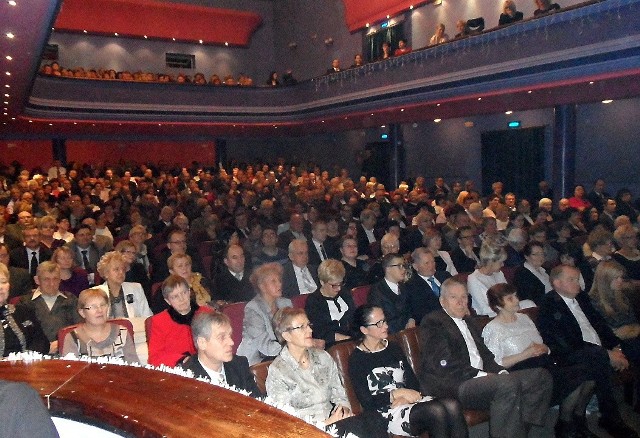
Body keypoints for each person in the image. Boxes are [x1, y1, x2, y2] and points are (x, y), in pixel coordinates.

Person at [419, 277, 553, 438]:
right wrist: (482, 375)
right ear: (442, 301)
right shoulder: (433, 321)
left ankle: (523, 430)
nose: (461, 302)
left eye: (464, 297)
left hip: (482, 381)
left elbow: (487, 357)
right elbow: (443, 363)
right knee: (507, 384)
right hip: (456, 383)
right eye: (454, 297)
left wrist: (501, 372)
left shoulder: (469, 321)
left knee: (540, 377)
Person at [482, 283, 597, 437]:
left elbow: (541, 343)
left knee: (588, 374)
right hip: (521, 370)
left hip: (544, 362)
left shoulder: (524, 318)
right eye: (510, 298)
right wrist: (527, 353)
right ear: (498, 305)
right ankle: (565, 424)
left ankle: (576, 419)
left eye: (516, 295)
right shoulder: (493, 329)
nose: (516, 300)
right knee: (574, 378)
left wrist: (544, 348)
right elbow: (495, 364)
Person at [538, 265, 639, 438]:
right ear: (557, 283)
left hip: (595, 351)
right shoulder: (549, 304)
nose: (578, 283)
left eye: (578, 279)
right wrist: (606, 354)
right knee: (597, 358)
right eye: (572, 280)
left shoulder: (582, 298)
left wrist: (616, 347)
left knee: (624, 350)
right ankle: (609, 418)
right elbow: (565, 342)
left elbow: (600, 324)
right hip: (568, 354)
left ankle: (574, 421)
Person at [350, 304, 468, 438]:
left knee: (452, 405)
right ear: (364, 330)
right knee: (436, 411)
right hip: (385, 411)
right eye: (379, 323)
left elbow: (412, 381)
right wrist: (396, 394)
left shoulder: (393, 347)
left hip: (409, 401)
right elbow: (367, 401)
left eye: (384, 320)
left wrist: (406, 397)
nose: (385, 326)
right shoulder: (357, 359)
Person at [266, 307, 386, 437]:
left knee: (375, 419)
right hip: (308, 432)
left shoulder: (322, 357)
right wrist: (327, 423)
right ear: (286, 335)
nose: (310, 330)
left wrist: (343, 411)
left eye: (309, 325)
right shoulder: (278, 371)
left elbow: (339, 395)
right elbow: (284, 422)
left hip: (336, 423)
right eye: (301, 327)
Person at [181, 312, 262, 396]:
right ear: (202, 343)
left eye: (230, 335)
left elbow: (260, 403)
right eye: (221, 337)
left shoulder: (239, 365)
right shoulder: (186, 379)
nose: (231, 342)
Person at [147, 275, 213, 367]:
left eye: (184, 293)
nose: (181, 299)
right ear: (168, 301)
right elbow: (155, 358)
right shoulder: (160, 321)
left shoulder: (207, 313)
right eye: (175, 296)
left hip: (208, 364)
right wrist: (182, 359)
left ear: (189, 292)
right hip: (178, 370)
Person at [236, 262, 293, 365]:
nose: (279, 284)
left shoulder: (286, 303)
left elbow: (294, 331)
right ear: (262, 286)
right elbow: (265, 347)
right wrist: (294, 347)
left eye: (279, 280)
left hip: (283, 355)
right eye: (273, 281)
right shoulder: (253, 309)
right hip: (257, 360)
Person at [61, 288, 139, 363]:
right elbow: (70, 371)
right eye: (93, 307)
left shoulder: (122, 332)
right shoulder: (73, 338)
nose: (99, 310)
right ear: (82, 312)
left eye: (102, 305)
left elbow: (135, 368)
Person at [18, 261, 81, 354]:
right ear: (37, 280)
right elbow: (22, 334)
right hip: (36, 355)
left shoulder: (71, 300)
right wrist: (45, 347)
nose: (51, 284)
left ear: (60, 280)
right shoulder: (25, 302)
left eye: (55, 279)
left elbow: (80, 328)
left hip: (67, 352)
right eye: (46, 279)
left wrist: (61, 343)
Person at [0, 263, 49, 356]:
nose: (1, 287)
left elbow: (42, 342)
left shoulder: (23, 312)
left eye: (3, 282)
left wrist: (26, 358)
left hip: (25, 367)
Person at [305, 259, 355, 348]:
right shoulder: (314, 301)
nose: (339, 288)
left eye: (340, 283)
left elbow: (354, 318)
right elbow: (318, 331)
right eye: (334, 285)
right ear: (322, 282)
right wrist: (346, 339)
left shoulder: (345, 293)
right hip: (331, 344)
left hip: (351, 338)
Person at [94, 251, 152, 320]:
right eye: (116, 269)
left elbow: (147, 315)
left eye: (123, 269)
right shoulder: (95, 293)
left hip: (135, 328)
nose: (121, 272)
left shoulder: (136, 288)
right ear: (106, 273)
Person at [368, 254, 415, 334]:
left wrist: (411, 319)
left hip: (408, 331)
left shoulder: (404, 287)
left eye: (404, 265)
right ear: (388, 268)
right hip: (390, 333)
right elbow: (380, 319)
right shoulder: (377, 291)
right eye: (399, 266)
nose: (404, 269)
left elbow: (411, 308)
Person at [405, 248, 452, 323]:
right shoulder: (411, 286)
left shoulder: (445, 276)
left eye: (433, 262)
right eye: (427, 263)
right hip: (437, 324)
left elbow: (464, 295)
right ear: (415, 266)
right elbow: (421, 313)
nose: (431, 266)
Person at [466, 243, 509, 316]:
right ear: (491, 262)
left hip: (505, 309)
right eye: (500, 262)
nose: (503, 265)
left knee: (529, 303)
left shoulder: (499, 274)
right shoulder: (474, 279)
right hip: (489, 315)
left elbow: (509, 295)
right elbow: (483, 308)